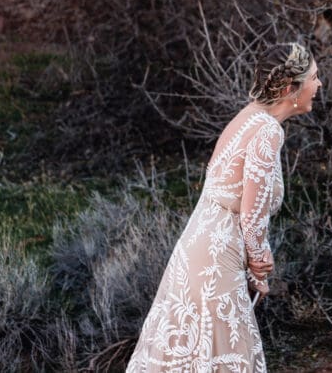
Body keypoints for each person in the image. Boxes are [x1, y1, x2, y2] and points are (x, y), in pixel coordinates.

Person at [126, 43, 322, 372]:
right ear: (291, 89)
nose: (319, 85)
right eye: (315, 78)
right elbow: (252, 211)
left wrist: (252, 262)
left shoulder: (249, 116)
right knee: (227, 357)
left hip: (200, 249)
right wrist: (260, 260)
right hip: (217, 259)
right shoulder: (268, 130)